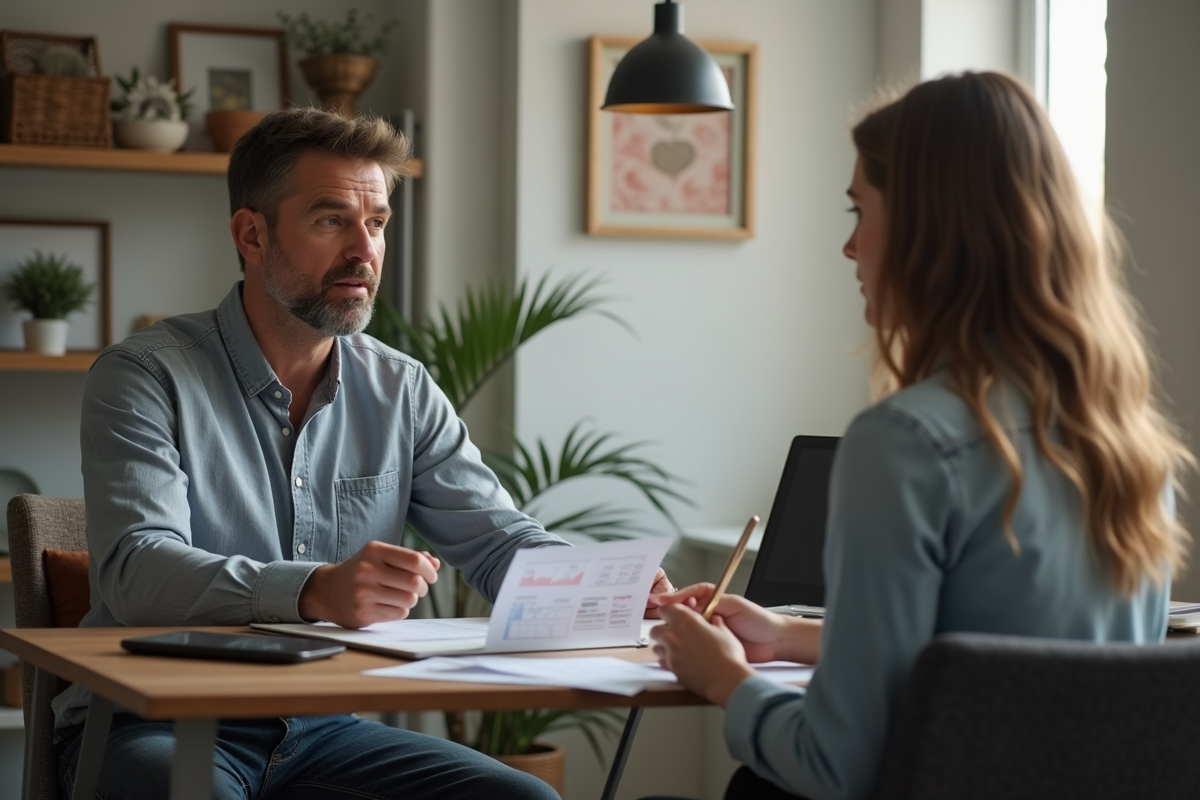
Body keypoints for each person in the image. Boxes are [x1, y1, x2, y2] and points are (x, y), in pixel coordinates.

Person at [54, 107, 673, 799]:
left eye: (375, 222)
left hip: (320, 730)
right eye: (331, 220)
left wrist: (616, 594)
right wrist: (315, 589)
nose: (364, 250)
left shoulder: (401, 388)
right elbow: (137, 572)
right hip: (153, 722)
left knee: (525, 798)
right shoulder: (144, 375)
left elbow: (500, 546)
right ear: (252, 235)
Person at [645, 71, 1194, 800]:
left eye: (859, 210)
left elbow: (837, 766)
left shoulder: (905, 443)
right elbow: (1016, 669)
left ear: (927, 227)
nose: (849, 248)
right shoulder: (1130, 446)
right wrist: (787, 635)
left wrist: (728, 680)